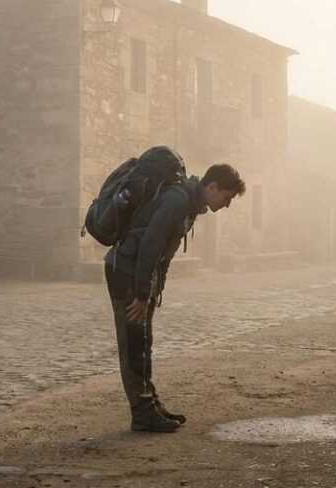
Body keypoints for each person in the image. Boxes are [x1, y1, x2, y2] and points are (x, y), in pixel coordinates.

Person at [104, 163, 245, 432]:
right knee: (134, 343)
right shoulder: (177, 201)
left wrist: (156, 289)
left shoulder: (189, 206)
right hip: (125, 271)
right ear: (212, 186)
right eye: (226, 198)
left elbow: (164, 254)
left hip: (139, 274)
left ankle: (150, 404)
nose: (226, 205)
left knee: (144, 341)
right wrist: (143, 292)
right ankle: (142, 414)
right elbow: (150, 245)